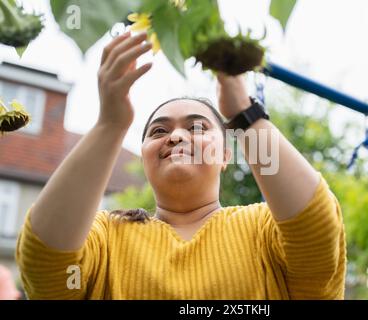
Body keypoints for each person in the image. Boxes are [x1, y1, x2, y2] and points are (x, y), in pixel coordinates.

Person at [15, 31, 346, 300]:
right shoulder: (106, 236)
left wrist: (242, 114)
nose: (175, 136)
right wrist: (110, 125)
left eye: (197, 128)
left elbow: (317, 232)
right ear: (144, 157)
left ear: (226, 156)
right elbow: (46, 264)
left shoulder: (264, 227)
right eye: (158, 131)